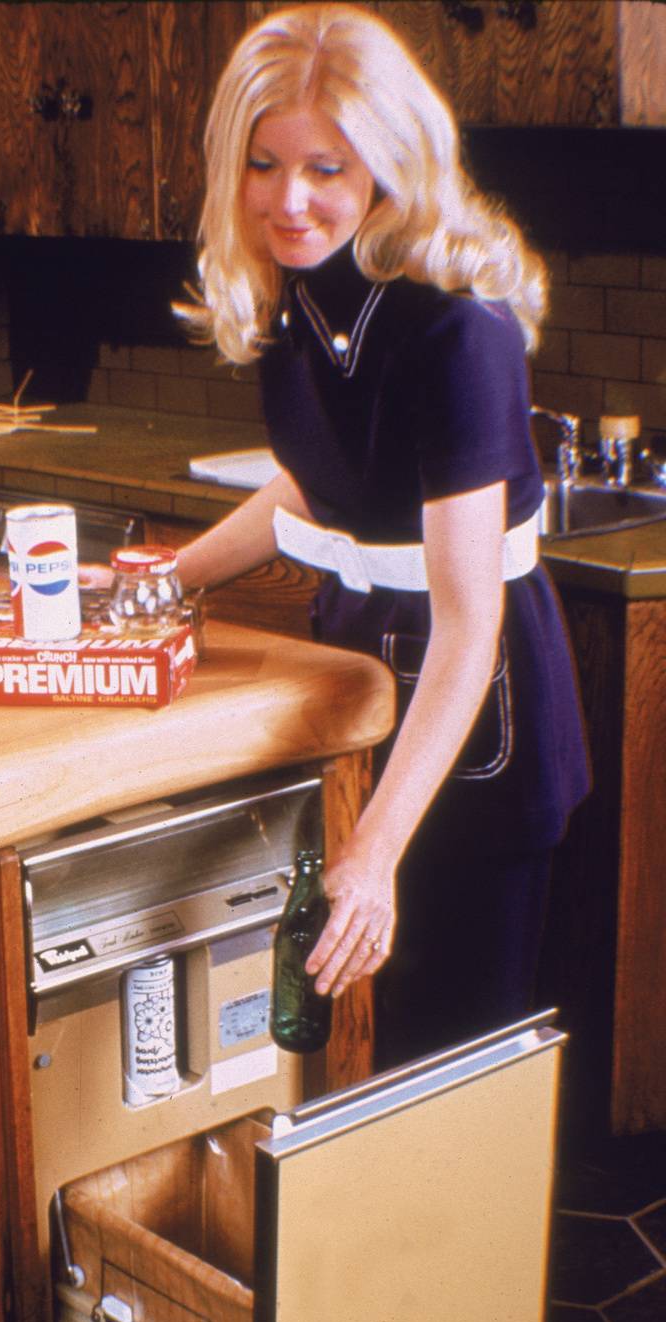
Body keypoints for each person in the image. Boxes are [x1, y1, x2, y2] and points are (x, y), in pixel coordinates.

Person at [128, 2, 588, 1069]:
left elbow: (470, 626)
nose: (291, 198)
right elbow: (320, 479)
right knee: (358, 1061)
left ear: (388, 164)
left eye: (327, 167)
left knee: (455, 1064)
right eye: (265, 163)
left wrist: (377, 847)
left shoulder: (456, 327)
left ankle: (460, 1242)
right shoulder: (305, 301)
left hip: (477, 722)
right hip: (366, 674)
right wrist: (170, 576)